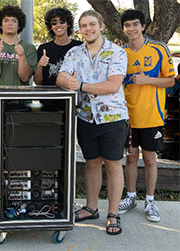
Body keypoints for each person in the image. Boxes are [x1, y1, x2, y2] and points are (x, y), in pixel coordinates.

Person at [56, 10, 128, 235]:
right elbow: (60, 77)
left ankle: (113, 213)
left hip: (113, 118)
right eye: (84, 26)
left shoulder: (116, 52)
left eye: (92, 25)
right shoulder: (74, 53)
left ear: (101, 26)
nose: (88, 29)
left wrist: (80, 85)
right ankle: (91, 207)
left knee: (114, 164)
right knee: (92, 163)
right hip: (85, 117)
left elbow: (112, 86)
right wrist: (68, 81)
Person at [118, 9, 175, 222]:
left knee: (150, 159)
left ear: (143, 26)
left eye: (135, 24)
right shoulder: (120, 52)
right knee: (130, 158)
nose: (131, 29)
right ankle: (131, 196)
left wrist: (147, 80)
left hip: (152, 115)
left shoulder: (159, 49)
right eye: (127, 25)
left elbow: (170, 80)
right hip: (128, 117)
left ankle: (150, 201)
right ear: (123, 29)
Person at [0, 5, 37, 86]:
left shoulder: (29, 48)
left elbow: (25, 78)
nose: (10, 24)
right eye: (6, 20)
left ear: (19, 26)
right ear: (0, 25)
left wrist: (22, 56)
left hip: (21, 97)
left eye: (14, 21)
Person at [34, 8, 82, 86]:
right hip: (49, 97)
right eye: (54, 23)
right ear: (50, 26)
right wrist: (39, 66)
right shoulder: (43, 49)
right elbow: (38, 83)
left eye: (62, 21)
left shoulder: (80, 47)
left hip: (72, 96)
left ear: (68, 24)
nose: (58, 25)